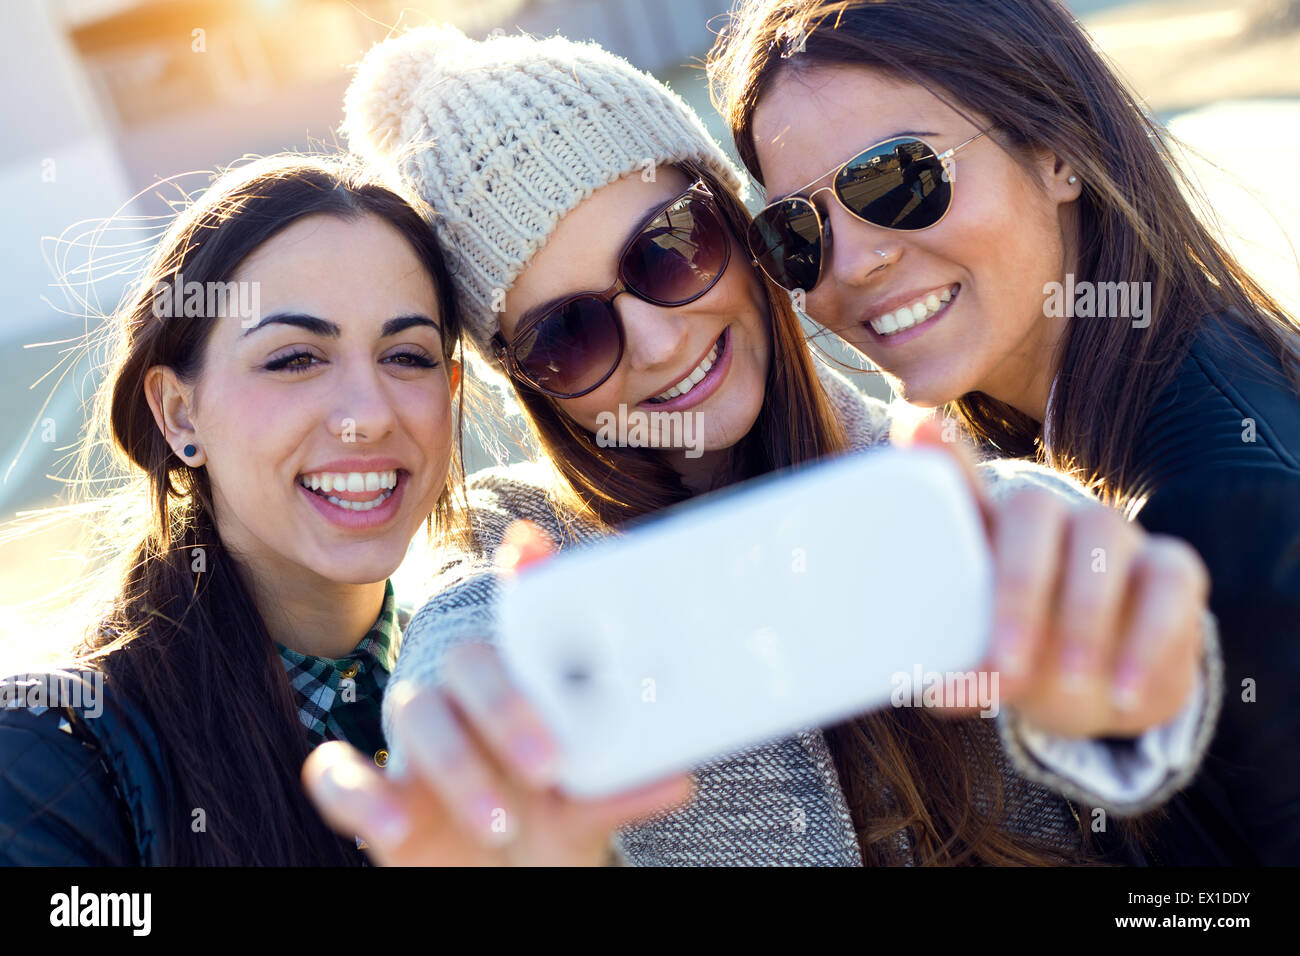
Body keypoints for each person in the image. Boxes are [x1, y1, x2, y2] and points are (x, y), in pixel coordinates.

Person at [302, 25, 1220, 867]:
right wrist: (456, 729)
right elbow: (466, 635)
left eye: (671, 249)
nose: (660, 343)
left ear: (740, 230)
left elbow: (1073, 590)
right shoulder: (521, 561)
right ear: (528, 379)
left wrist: (1129, 695)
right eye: (566, 333)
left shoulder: (952, 495)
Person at [709, 0, 1300, 864]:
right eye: (798, 231)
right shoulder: (1035, 433)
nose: (850, 263)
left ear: (1057, 150)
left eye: (898, 178)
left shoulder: (1217, 510)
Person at [0, 155, 469, 865]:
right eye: (295, 359)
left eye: (406, 355)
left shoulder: (494, 679)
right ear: (180, 413)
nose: (368, 416)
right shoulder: (44, 758)